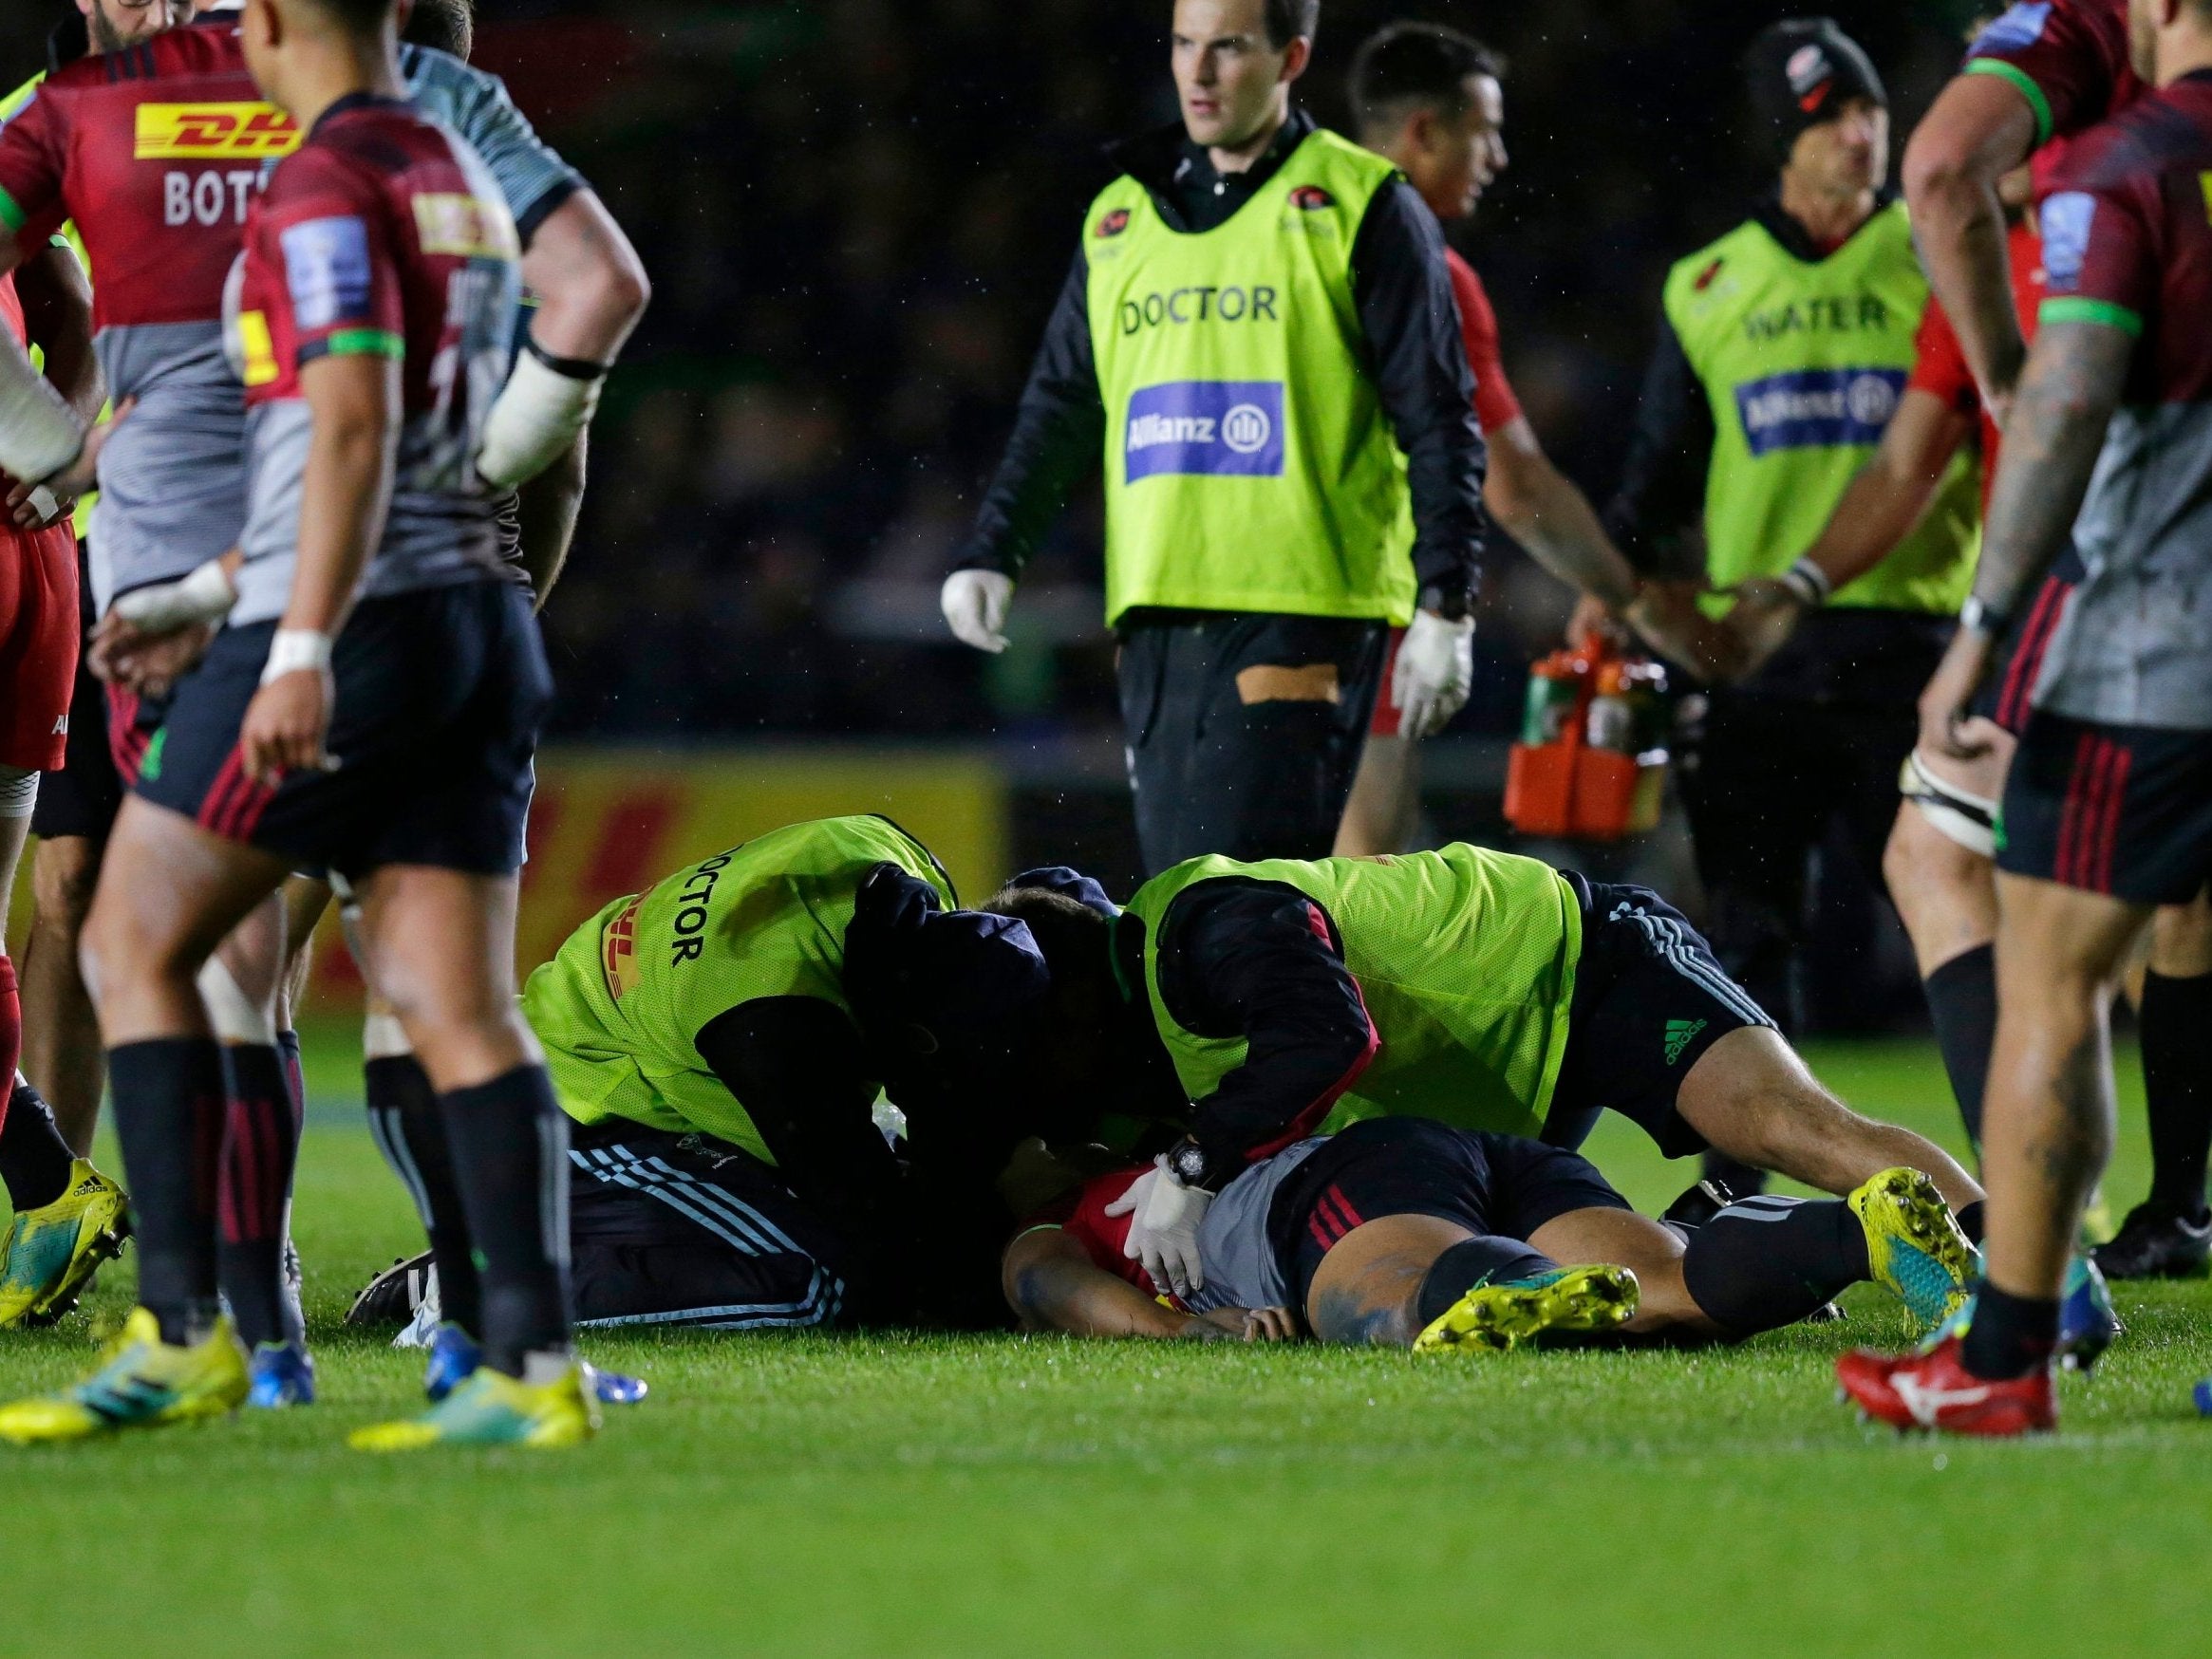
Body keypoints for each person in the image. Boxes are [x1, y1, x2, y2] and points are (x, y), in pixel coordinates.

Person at [0, 0, 632, 1451]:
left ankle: (192, 1331)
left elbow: (342, 427)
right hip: (474, 611)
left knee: (137, 939)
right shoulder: (452, 161)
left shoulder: (322, 180)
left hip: (341, 621)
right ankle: (523, 1360)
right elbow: (439, 425)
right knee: (448, 993)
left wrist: (276, 632)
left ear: (277, 22)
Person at [1839, 0, 2212, 1436]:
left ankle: (2006, 1350)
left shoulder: (2121, 170)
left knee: (2051, 984)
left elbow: (2054, 416)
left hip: (2150, 650)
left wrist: (1983, 627)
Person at [943, 0, 1488, 875]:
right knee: (1186, 895)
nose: (1197, 73)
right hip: (1159, 606)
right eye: (1184, 45)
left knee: (1237, 894)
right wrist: (994, 548)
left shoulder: (1361, 205)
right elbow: (1063, 401)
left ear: (1291, 57)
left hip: (1304, 606)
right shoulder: (1121, 217)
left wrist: (1446, 604)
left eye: (1228, 48)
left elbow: (1437, 417)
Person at [982, 846, 1987, 1318]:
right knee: (1642, 1293)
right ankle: (1854, 1251)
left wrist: (1194, 1162)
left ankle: (2028, 1283)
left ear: (1068, 998)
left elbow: (1329, 1031)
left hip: (1573, 960)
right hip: (1496, 1087)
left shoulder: (1199, 926)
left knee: (1788, 1126)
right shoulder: (1137, 1036)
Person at [1603, 18, 1984, 1204]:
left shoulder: (1935, 252)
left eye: (1869, 112)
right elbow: (1654, 487)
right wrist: (1624, 602)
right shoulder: (1704, 285)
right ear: (1783, 137)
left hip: (1911, 640)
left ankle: (2027, 1169)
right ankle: (1735, 1182)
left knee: (1954, 916)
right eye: (1831, 117)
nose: (1861, 135)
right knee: (1746, 931)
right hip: (1756, 656)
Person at [360, 816, 1061, 1351]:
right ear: (914, 1034)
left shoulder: (888, 861)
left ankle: (531, 1236)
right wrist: (1006, 1271)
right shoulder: (771, 1024)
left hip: (599, 1050)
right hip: (575, 1108)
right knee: (826, 1284)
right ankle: (486, 1292)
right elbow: (880, 1237)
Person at [1333, 21, 1728, 858]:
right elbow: (1514, 486)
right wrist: (1633, 598)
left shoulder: (1267, 247)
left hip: (1210, 614)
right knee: (1353, 890)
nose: (1500, 157)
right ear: (1425, 133)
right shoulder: (1428, 273)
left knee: (1226, 891)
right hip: (1347, 610)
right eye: (1486, 132)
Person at [1004, 1118, 1977, 1353]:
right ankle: (1862, 1226)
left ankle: (1508, 1287)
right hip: (1459, 1154)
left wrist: (1172, 1330)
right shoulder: (1179, 1134)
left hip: (1330, 1194)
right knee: (1668, 1298)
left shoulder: (1066, 1214)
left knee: (1387, 1305)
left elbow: (1042, 1281)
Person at [0, 222, 124, 1331]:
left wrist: (61, 443)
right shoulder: (26, 130)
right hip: (50, 551)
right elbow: (74, 309)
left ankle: (49, 1179)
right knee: (44, 905)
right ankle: (47, 1182)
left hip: (52, 544)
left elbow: (77, 312)